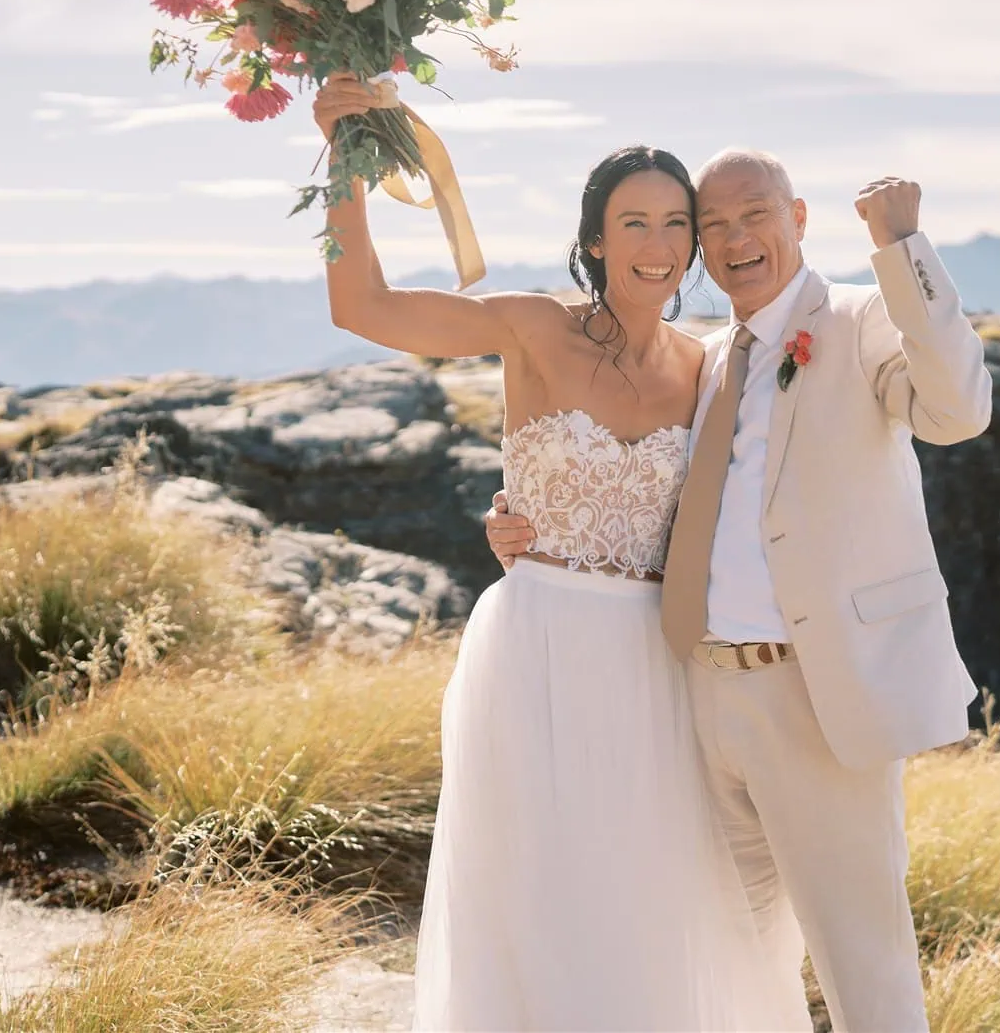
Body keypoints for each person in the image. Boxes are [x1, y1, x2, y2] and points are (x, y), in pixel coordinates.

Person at [310, 76, 808, 1031]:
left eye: (675, 225)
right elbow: (360, 306)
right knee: (534, 888)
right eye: (633, 223)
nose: (658, 247)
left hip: (657, 661)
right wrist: (347, 157)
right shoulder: (533, 327)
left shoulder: (710, 367)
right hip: (535, 642)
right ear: (594, 241)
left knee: (648, 891)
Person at [488, 147, 993, 1032]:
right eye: (709, 223)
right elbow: (642, 491)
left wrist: (903, 242)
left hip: (818, 697)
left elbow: (957, 412)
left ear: (797, 220)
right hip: (692, 697)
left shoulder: (863, 318)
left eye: (753, 214)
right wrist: (523, 515)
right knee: (726, 958)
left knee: (862, 964)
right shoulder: (709, 358)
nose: (732, 238)